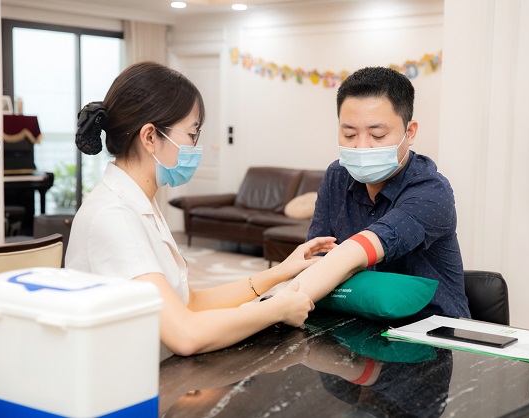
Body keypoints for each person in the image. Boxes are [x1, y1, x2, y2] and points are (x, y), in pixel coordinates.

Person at [65, 61, 336, 361]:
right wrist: (276, 308)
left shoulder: (139, 203)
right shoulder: (112, 216)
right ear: (150, 137)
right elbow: (185, 334)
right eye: (192, 133)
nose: (196, 144)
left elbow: (190, 302)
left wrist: (281, 271)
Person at [290, 66, 470, 319]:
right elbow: (318, 253)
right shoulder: (338, 175)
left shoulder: (432, 191)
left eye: (378, 134)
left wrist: (283, 300)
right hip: (355, 324)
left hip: (430, 331)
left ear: (410, 132)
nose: (362, 147)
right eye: (349, 134)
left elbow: (356, 252)